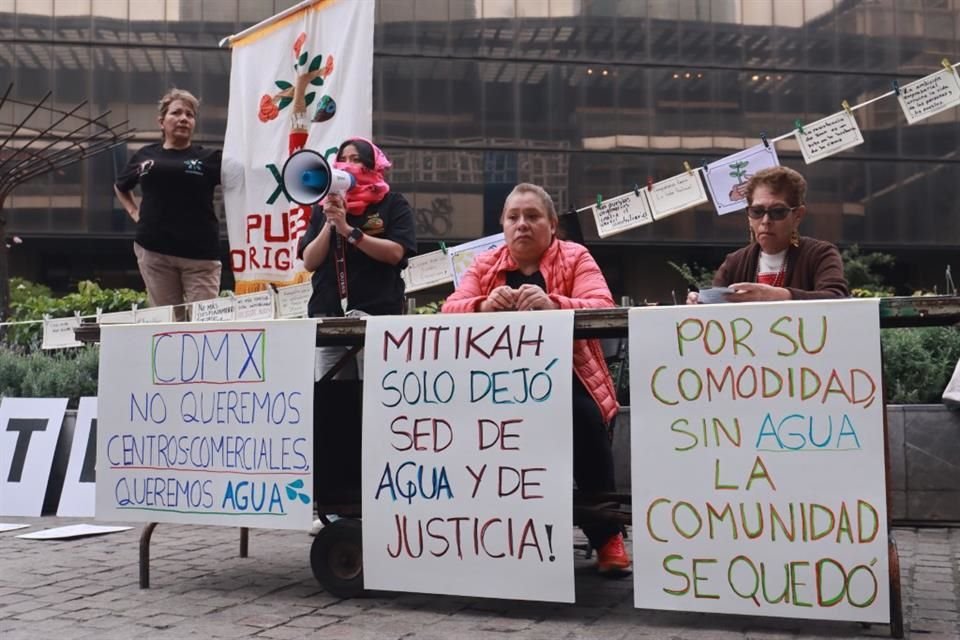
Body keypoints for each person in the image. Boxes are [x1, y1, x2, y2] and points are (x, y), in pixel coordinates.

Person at [441, 183, 631, 577]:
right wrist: (481, 306)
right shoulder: (485, 264)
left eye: (532, 217)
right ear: (502, 224)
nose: (522, 225)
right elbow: (449, 309)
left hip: (571, 377)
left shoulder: (576, 256)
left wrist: (555, 304)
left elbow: (603, 306)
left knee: (583, 419)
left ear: (552, 224)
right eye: (513, 217)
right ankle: (491, 535)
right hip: (493, 387)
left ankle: (607, 537)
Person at [114, 88, 224, 320]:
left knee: (204, 323)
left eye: (190, 114)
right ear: (161, 121)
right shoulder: (145, 155)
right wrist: (134, 212)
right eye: (176, 113)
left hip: (200, 254)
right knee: (168, 323)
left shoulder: (210, 158)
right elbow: (121, 186)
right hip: (154, 252)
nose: (184, 118)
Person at [688, 165, 849, 304]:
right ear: (748, 216)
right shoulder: (734, 262)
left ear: (798, 215)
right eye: (757, 211)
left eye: (777, 212)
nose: (765, 220)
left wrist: (779, 295)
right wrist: (700, 302)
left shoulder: (820, 254)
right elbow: (716, 312)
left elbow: (838, 298)